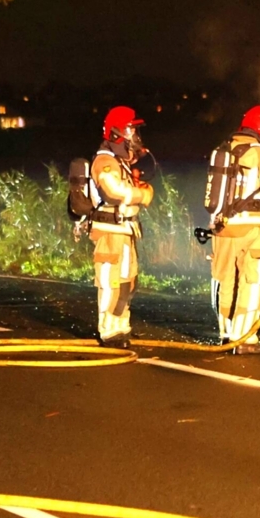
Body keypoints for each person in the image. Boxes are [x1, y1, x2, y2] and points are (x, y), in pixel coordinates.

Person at [210, 104, 260, 354]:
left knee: (227, 280)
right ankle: (243, 338)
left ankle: (226, 334)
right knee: (252, 281)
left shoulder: (225, 149)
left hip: (223, 226)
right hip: (251, 228)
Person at [90, 105, 155, 348]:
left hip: (125, 231)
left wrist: (139, 189)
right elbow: (113, 191)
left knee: (127, 282)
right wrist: (141, 194)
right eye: (131, 130)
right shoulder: (104, 160)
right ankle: (108, 331)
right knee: (111, 282)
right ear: (117, 133)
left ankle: (120, 328)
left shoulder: (120, 161)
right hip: (110, 233)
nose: (135, 137)